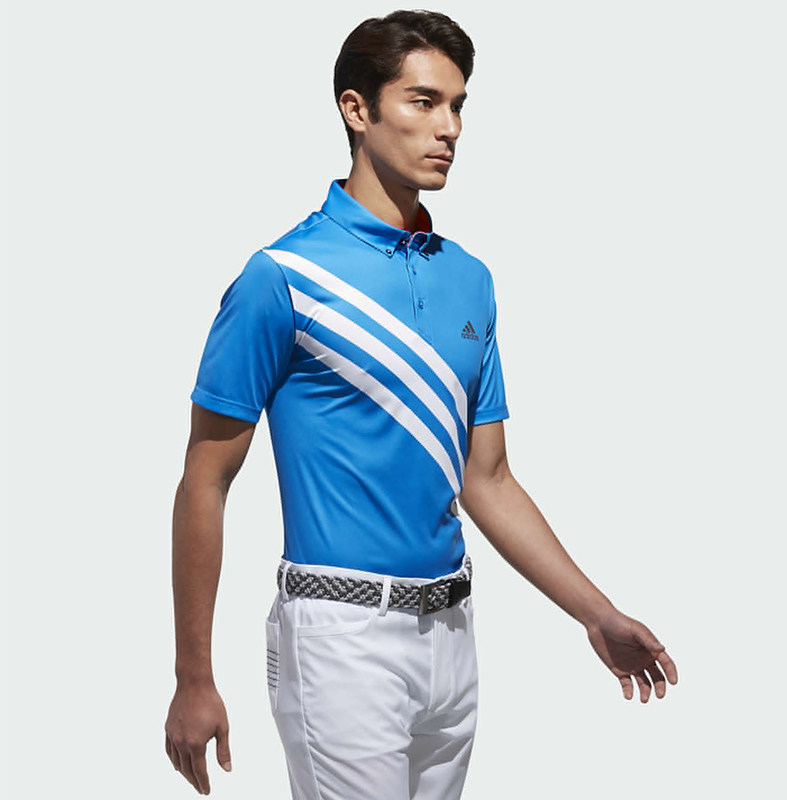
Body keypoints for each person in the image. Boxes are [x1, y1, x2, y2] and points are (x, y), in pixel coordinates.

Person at [164, 9, 678, 799]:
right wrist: (193, 676)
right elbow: (206, 479)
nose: (450, 128)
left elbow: (488, 479)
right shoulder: (282, 277)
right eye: (424, 101)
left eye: (458, 105)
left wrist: (595, 612)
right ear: (356, 109)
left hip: (453, 634)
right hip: (340, 638)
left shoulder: (469, 278)